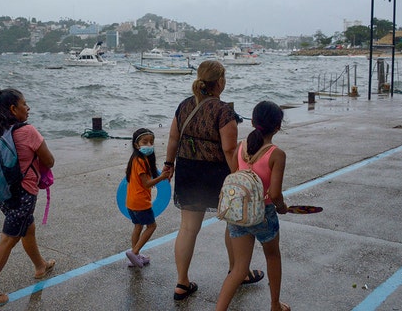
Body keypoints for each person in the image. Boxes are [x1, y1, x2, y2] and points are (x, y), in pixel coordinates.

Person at [163, 60, 263, 301]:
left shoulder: (184, 106)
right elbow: (229, 150)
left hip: (188, 170)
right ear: (219, 82)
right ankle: (237, 272)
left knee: (187, 228)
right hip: (216, 174)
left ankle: (182, 282)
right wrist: (241, 177)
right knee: (233, 224)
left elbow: (173, 138)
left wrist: (168, 164)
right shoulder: (223, 111)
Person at [0, 89, 56, 307]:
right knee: (9, 238)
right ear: (13, 109)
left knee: (27, 226)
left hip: (3, 192)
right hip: (24, 193)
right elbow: (49, 160)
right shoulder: (28, 131)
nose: (28, 108)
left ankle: (40, 265)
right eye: (24, 104)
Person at [216, 101, 290, 311]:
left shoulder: (240, 147)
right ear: (277, 127)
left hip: (238, 213)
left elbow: (234, 174)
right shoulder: (276, 154)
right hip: (263, 213)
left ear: (253, 121)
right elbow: (274, 194)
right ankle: (275, 305)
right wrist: (282, 207)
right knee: (273, 256)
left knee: (239, 269)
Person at [124, 128, 171, 268]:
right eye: (145, 142)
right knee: (151, 226)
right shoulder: (141, 161)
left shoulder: (135, 159)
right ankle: (134, 251)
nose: (149, 144)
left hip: (131, 202)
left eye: (152, 141)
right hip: (140, 203)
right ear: (136, 144)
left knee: (138, 226)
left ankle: (134, 256)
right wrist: (162, 177)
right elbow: (146, 184)